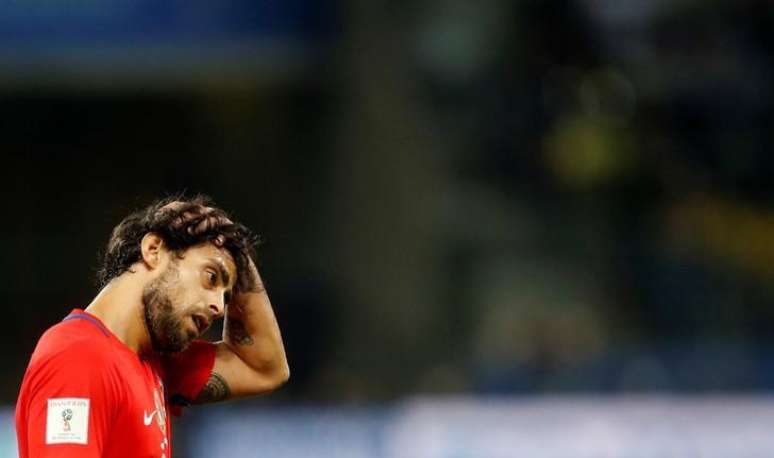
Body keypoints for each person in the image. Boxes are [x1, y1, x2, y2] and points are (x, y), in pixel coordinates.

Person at [15, 196, 289, 457]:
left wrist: (235, 249)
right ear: (154, 250)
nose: (219, 307)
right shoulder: (78, 358)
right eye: (210, 277)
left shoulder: (154, 365)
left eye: (226, 296)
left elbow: (264, 368)